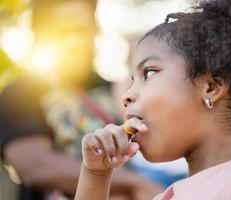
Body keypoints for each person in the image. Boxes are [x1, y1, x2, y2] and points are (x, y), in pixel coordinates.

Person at [75, 0, 231, 199]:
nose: (126, 95)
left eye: (149, 72)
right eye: (132, 80)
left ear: (211, 88)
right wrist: (96, 174)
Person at [0, 0, 163, 199]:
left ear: (95, 30)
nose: (73, 41)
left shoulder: (118, 89)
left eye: (81, 30)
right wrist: (134, 183)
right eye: (61, 32)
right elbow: (35, 166)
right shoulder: (20, 92)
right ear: (40, 35)